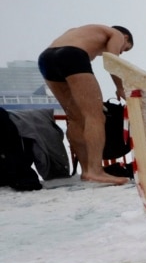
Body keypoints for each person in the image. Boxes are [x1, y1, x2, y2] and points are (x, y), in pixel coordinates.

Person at [37, 24, 134, 186]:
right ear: (125, 38)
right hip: (72, 55)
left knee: (75, 118)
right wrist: (120, 88)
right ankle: (95, 171)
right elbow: (113, 62)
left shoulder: (80, 31)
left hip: (46, 58)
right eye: (125, 48)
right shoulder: (116, 34)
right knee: (95, 116)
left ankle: (86, 170)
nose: (122, 51)